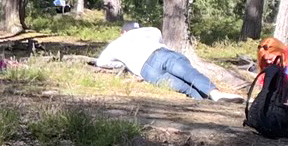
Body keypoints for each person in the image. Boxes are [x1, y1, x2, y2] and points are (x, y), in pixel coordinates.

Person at [93, 23, 245, 103]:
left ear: (122, 32)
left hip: (145, 70)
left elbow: (101, 62)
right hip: (160, 54)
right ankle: (215, 94)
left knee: (183, 88)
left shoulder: (116, 44)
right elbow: (157, 33)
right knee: (190, 74)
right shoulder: (147, 32)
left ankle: (207, 101)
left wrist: (122, 64)